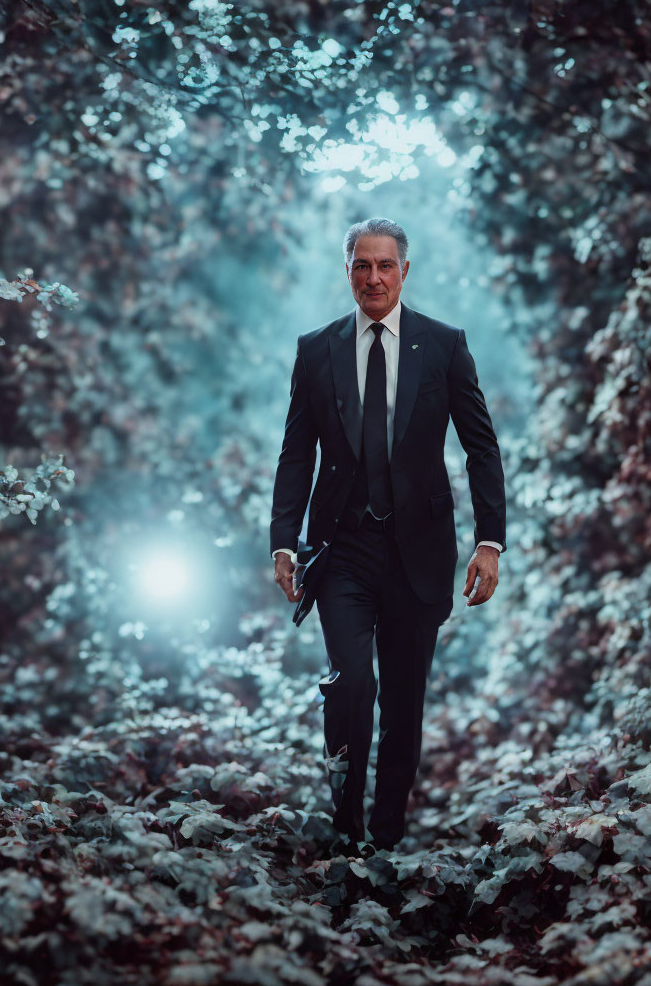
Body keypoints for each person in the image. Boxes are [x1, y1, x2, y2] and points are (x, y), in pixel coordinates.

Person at [270, 217, 506, 856]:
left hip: (417, 552)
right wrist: (284, 540)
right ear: (346, 270)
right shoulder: (316, 349)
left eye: (384, 266)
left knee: (404, 699)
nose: (372, 278)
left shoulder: (445, 344)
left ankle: (387, 836)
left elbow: (481, 448)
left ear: (405, 271)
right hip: (341, 549)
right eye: (360, 265)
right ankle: (344, 826)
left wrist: (491, 540)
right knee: (353, 684)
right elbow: (297, 454)